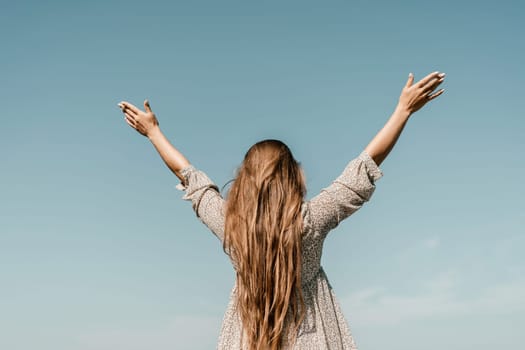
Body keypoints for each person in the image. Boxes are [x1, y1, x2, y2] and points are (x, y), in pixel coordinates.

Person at [118, 71, 445, 350]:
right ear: (291, 177)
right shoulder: (309, 222)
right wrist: (403, 110)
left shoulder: (230, 225)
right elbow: (362, 169)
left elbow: (191, 178)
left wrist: (153, 132)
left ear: (245, 181)